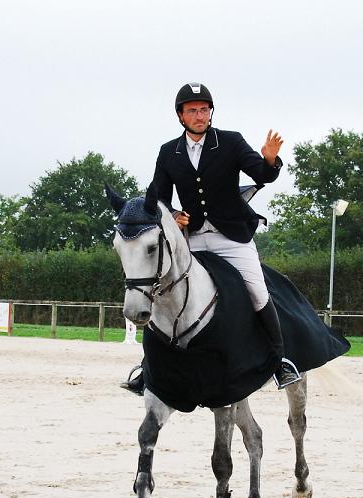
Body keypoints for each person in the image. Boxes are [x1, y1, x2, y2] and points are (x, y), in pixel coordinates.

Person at [121, 82, 299, 395]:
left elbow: (261, 173)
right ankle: (147, 369)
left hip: (231, 236)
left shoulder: (230, 142)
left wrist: (270, 161)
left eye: (204, 109)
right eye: (193, 110)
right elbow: (159, 199)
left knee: (257, 291)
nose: (200, 115)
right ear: (181, 116)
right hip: (191, 238)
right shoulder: (168, 152)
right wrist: (175, 214)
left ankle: (279, 361)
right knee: (159, 295)